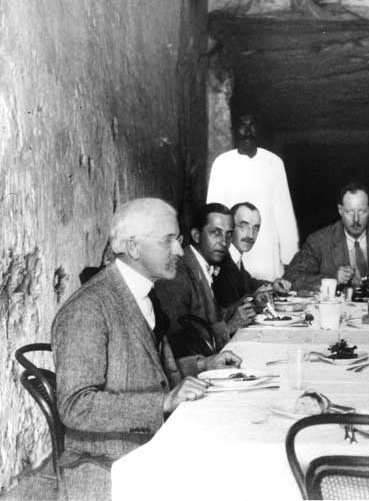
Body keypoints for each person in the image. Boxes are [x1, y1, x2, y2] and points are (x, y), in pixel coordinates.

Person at [52, 198, 241, 501]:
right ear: (134, 247)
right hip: (106, 467)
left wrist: (203, 365)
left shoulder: (145, 294)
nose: (179, 250)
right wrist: (162, 402)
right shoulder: (87, 309)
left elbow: (151, 368)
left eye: (178, 239)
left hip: (152, 449)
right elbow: (76, 406)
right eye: (168, 240)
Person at [207, 113, 299, 280]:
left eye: (252, 125)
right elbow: (213, 216)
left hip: (267, 255)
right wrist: (213, 257)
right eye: (242, 125)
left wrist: (289, 259)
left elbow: (284, 216)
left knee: (269, 291)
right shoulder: (222, 163)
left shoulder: (274, 163)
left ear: (259, 129)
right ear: (234, 130)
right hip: (232, 255)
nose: (247, 131)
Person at [154, 203, 255, 355]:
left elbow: (211, 317)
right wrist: (228, 328)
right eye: (216, 233)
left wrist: (248, 302)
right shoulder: (177, 273)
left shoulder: (202, 264)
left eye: (228, 234)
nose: (224, 242)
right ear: (196, 235)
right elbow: (176, 343)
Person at [284, 182, 369, 291]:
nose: (356, 219)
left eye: (362, 211)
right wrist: (332, 279)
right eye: (349, 212)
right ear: (340, 210)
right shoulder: (319, 241)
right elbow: (291, 278)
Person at [213, 201, 291, 308]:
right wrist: (253, 299)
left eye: (255, 228)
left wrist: (273, 285)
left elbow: (249, 283)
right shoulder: (219, 260)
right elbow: (226, 306)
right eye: (243, 226)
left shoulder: (236, 258)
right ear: (230, 227)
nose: (250, 235)